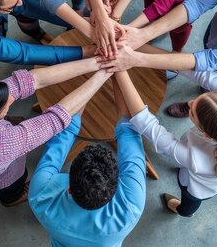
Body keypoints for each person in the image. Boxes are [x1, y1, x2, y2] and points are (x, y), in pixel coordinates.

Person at [0, 57, 108, 207]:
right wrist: (104, 73)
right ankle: (11, 199)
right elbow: (55, 118)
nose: (11, 99)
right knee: (14, 185)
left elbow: (31, 80)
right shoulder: (0, 144)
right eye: (6, 108)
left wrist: (96, 62)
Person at [117, 69, 217, 217]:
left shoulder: (195, 158)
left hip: (200, 187)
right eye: (198, 99)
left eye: (191, 112)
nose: (190, 103)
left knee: (189, 203)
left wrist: (120, 72)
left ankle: (183, 211)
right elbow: (207, 76)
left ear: (205, 134)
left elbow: (149, 126)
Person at [29, 71, 146, 246]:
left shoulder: (40, 195)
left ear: (69, 189)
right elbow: (129, 131)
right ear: (115, 187)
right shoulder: (131, 207)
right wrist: (117, 68)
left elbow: (64, 133)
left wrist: (100, 74)